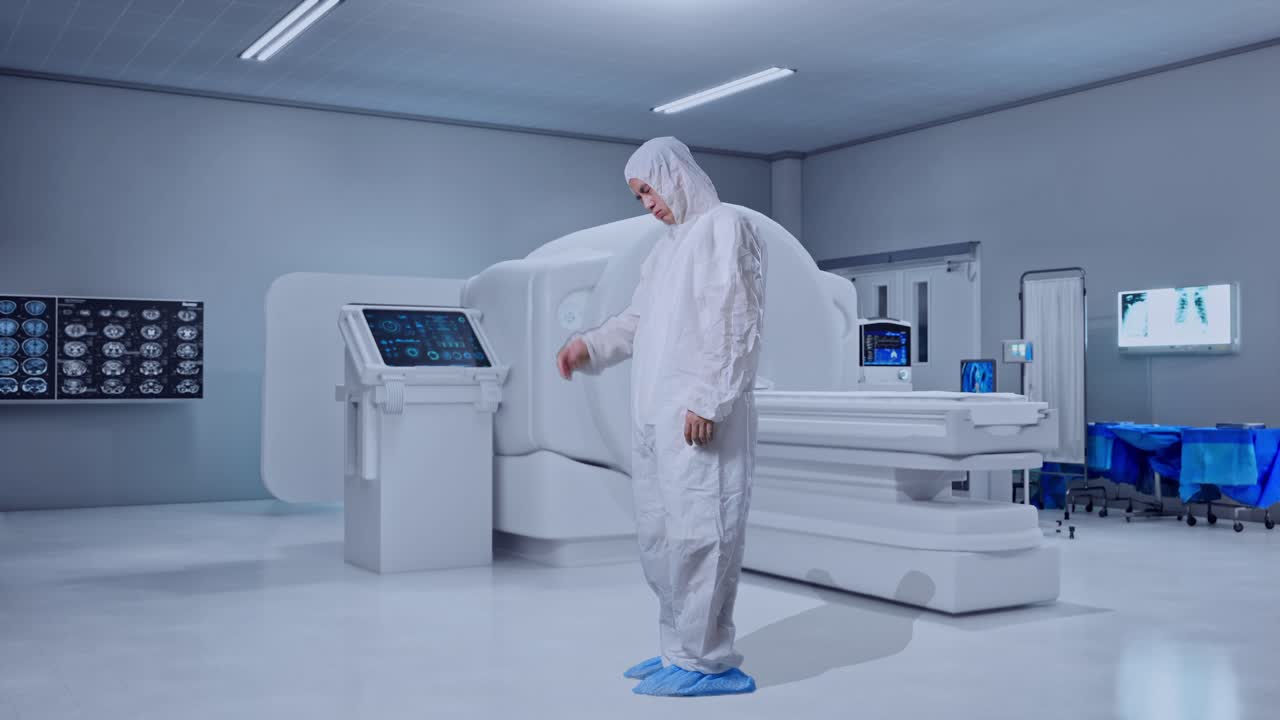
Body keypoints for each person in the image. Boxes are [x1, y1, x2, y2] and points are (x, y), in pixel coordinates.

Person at [555, 137, 766, 697]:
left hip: (699, 417)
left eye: (649, 189)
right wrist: (590, 347)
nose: (647, 202)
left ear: (675, 176)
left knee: (703, 535)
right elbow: (636, 320)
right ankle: (677, 650)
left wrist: (711, 398)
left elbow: (736, 318)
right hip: (656, 417)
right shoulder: (666, 248)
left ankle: (708, 662)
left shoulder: (724, 227)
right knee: (661, 536)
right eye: (639, 195)